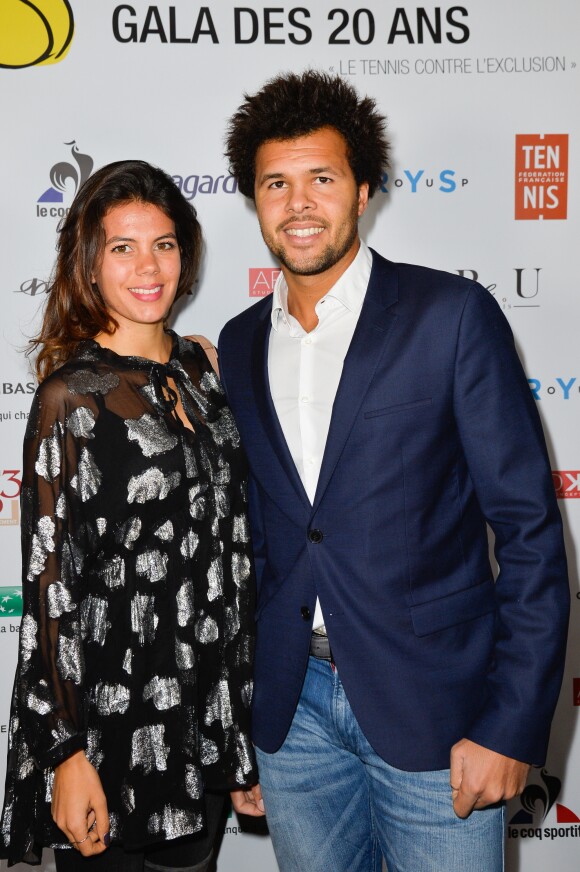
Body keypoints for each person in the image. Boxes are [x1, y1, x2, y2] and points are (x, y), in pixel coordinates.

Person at [217, 70, 570, 871]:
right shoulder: (237, 344)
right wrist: (252, 719)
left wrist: (510, 726)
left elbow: (528, 532)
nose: (298, 203)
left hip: (440, 711)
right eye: (276, 182)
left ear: (365, 188)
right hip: (293, 717)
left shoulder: (449, 316)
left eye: (321, 178)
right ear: (253, 198)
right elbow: (264, 544)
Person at [0, 159, 264, 871]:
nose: (148, 266)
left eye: (165, 244)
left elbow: (232, 556)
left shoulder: (204, 376)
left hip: (200, 728)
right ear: (90, 264)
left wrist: (241, 730)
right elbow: (51, 590)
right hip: (111, 735)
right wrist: (67, 754)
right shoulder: (72, 398)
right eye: (123, 247)